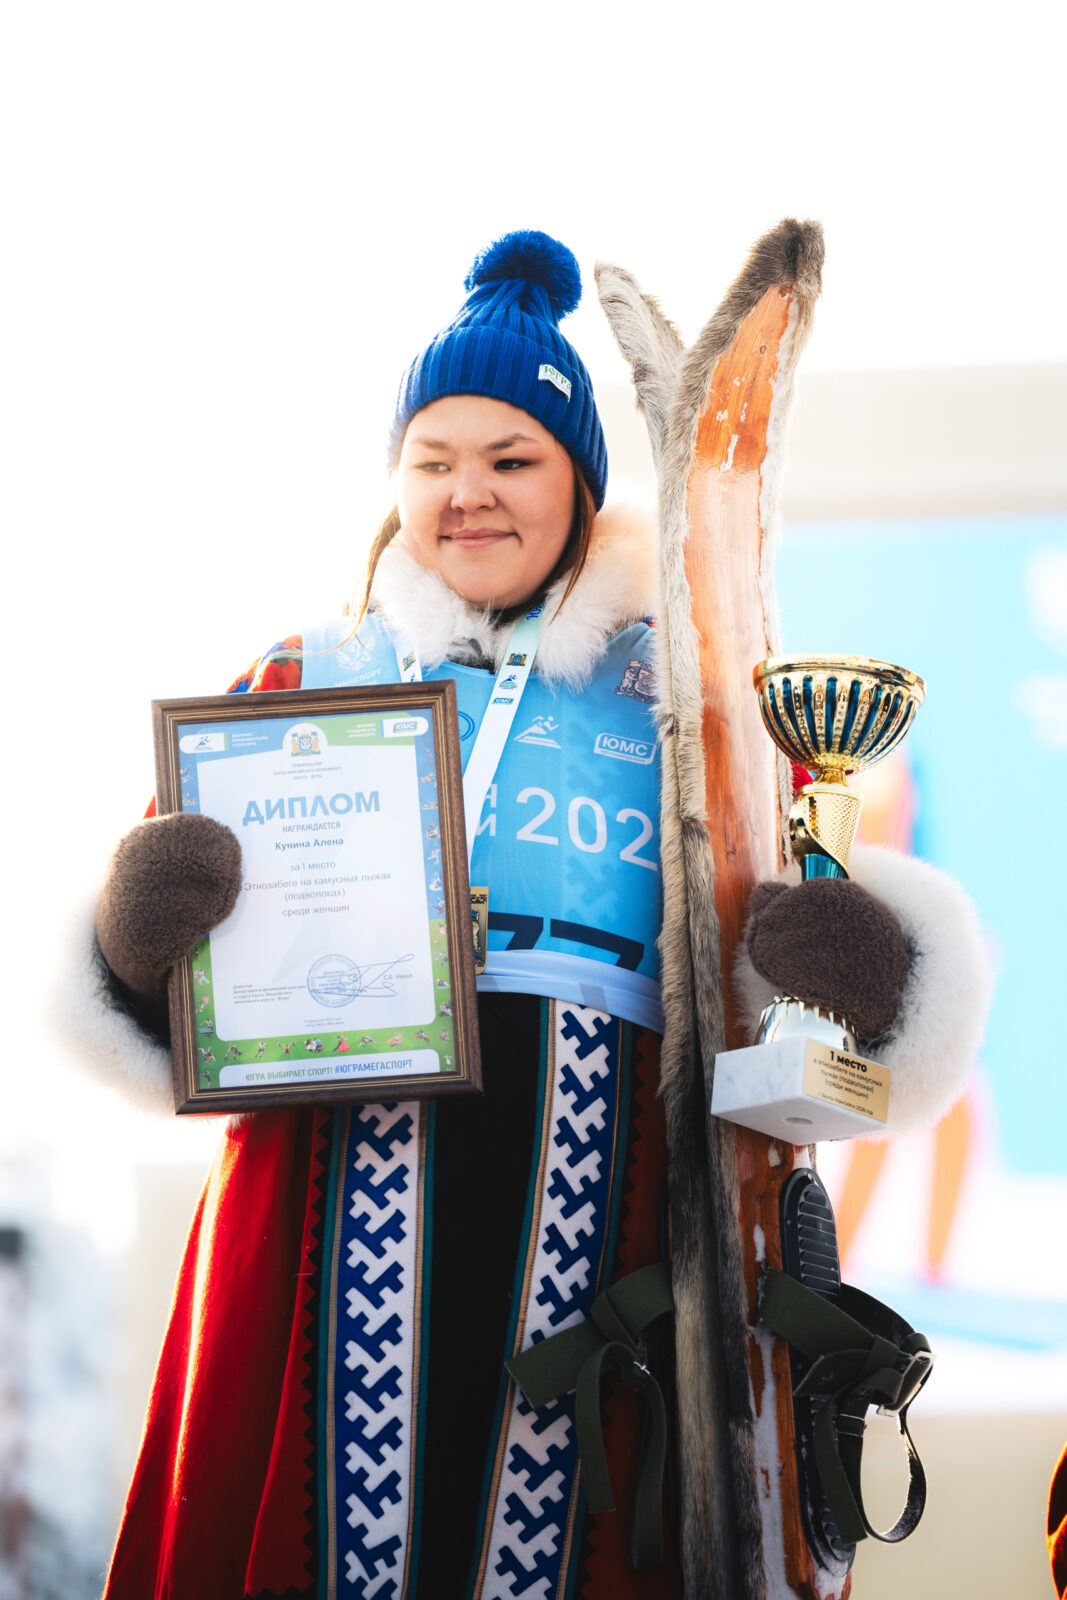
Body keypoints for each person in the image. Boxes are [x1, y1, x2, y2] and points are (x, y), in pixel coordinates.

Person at [80, 231, 984, 1600]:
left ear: (579, 483)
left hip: (610, 1210)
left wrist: (855, 962)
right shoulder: (306, 678)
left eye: (511, 460)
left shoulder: (688, 692)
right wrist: (137, 934)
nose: (468, 495)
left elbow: (800, 925)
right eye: (432, 460)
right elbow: (154, 996)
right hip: (324, 1204)